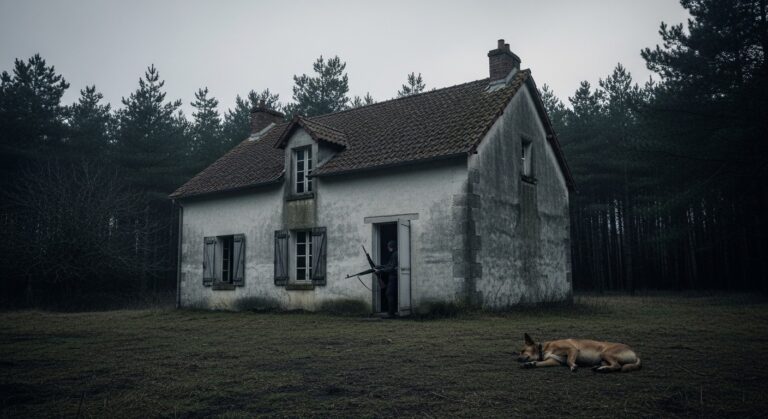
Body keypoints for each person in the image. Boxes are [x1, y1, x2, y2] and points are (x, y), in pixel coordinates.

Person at [376, 240, 398, 318]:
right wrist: (380, 266)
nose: (388, 248)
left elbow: (391, 268)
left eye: (388, 246)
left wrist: (381, 270)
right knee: (390, 294)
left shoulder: (395, 254)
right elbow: (389, 265)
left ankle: (391, 314)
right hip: (392, 277)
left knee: (389, 294)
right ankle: (391, 312)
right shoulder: (394, 254)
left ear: (391, 247)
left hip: (394, 277)